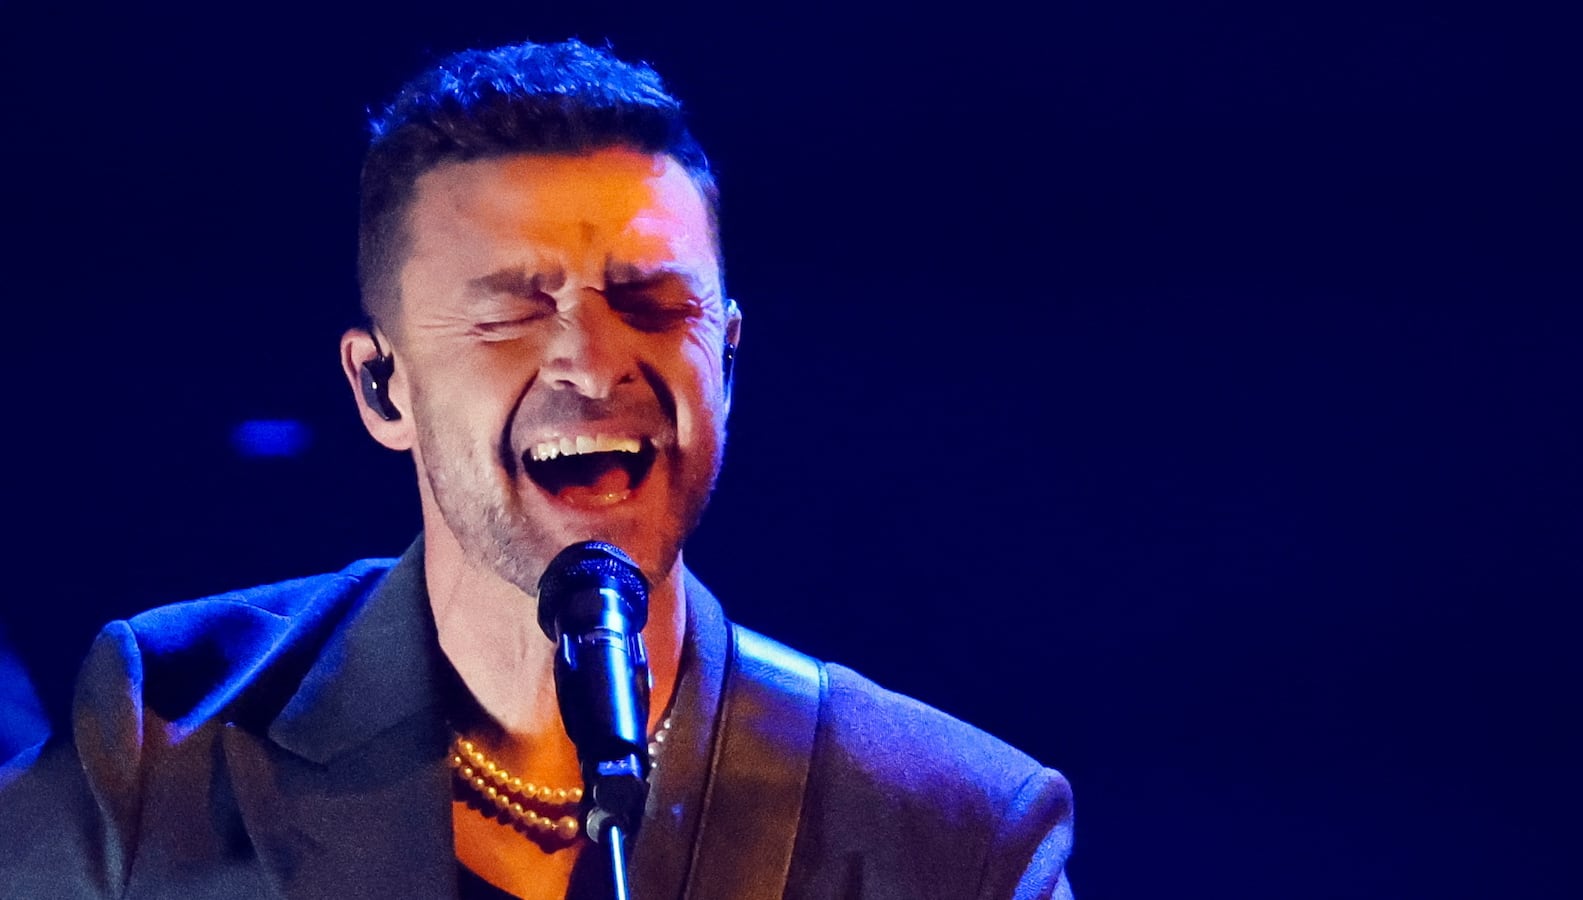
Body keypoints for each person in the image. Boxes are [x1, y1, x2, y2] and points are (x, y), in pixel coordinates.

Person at [0, 40, 1073, 898]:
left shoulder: (952, 829)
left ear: (728, 363)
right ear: (383, 388)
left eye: (654, 304)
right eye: (514, 307)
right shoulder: (164, 740)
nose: (595, 361)